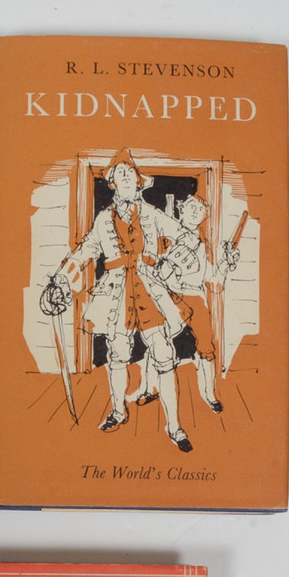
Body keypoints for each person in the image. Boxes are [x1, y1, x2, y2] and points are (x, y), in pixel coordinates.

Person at [54, 149, 194, 452]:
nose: (127, 177)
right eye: (121, 174)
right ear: (113, 183)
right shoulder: (103, 219)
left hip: (149, 291)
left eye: (131, 173)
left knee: (164, 356)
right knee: (117, 355)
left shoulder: (152, 214)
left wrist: (170, 263)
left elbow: (187, 237)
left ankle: (174, 426)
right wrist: (61, 278)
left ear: (139, 182)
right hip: (116, 295)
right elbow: (85, 251)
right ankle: (119, 410)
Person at [153, 194, 239, 415]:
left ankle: (209, 394)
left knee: (206, 347)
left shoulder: (204, 247)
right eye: (191, 206)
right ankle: (150, 387)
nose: (195, 211)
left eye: (200, 209)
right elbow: (154, 271)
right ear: (181, 210)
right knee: (158, 341)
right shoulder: (165, 238)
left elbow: (215, 280)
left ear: (204, 216)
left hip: (196, 298)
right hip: (169, 296)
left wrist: (226, 265)